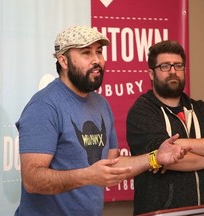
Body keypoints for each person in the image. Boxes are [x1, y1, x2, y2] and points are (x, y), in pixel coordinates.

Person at [14, 26, 189, 216]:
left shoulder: (101, 104)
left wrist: (155, 157)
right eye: (86, 53)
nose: (97, 60)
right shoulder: (44, 105)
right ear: (63, 61)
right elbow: (32, 180)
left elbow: (111, 166)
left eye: (99, 52)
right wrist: (87, 176)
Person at [126, 40, 204, 215]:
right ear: (151, 73)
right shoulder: (142, 112)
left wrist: (186, 144)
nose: (173, 71)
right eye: (165, 66)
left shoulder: (201, 109)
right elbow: (167, 157)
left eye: (178, 65)